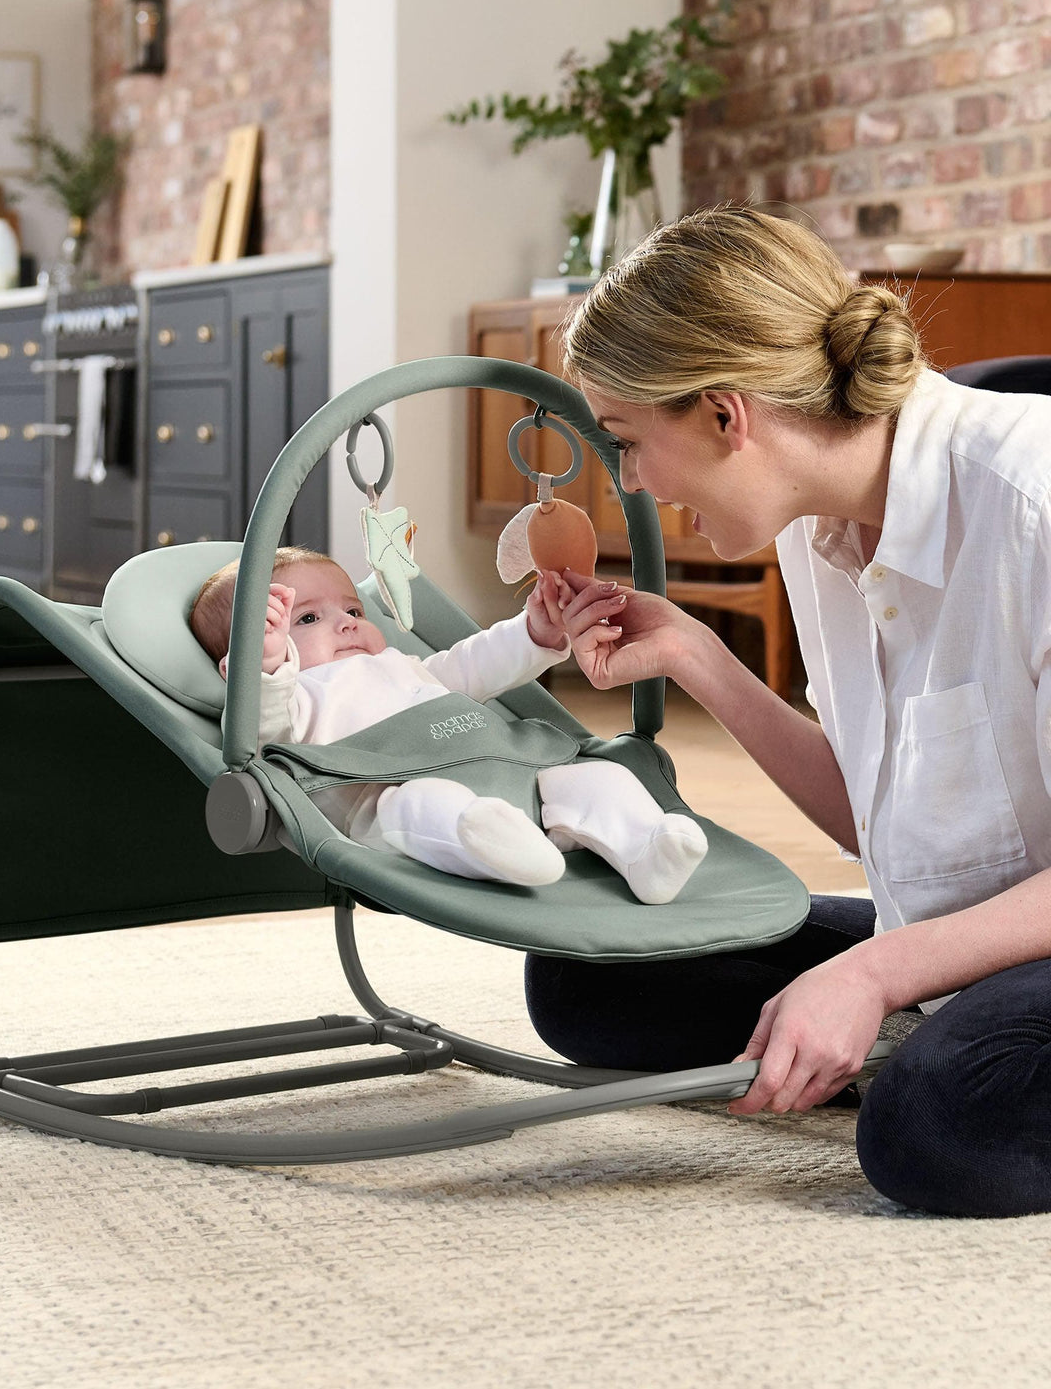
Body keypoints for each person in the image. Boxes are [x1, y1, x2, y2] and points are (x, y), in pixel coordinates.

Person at [529, 202, 1051, 1217]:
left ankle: (921, 1051)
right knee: (586, 980)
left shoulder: (1034, 503)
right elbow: (882, 822)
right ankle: (924, 1035)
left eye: (628, 441)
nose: (630, 481)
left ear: (727, 416)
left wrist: (873, 976)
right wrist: (697, 656)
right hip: (978, 942)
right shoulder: (821, 528)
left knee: (935, 1125)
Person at [189, 547, 708, 901]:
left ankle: (648, 849)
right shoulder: (296, 697)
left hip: (510, 775)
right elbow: (258, 730)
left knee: (597, 776)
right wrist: (265, 670)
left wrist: (535, 631)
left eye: (353, 609)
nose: (346, 623)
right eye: (307, 618)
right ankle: (500, 847)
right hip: (392, 794)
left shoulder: (404, 667)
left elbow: (473, 664)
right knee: (422, 805)